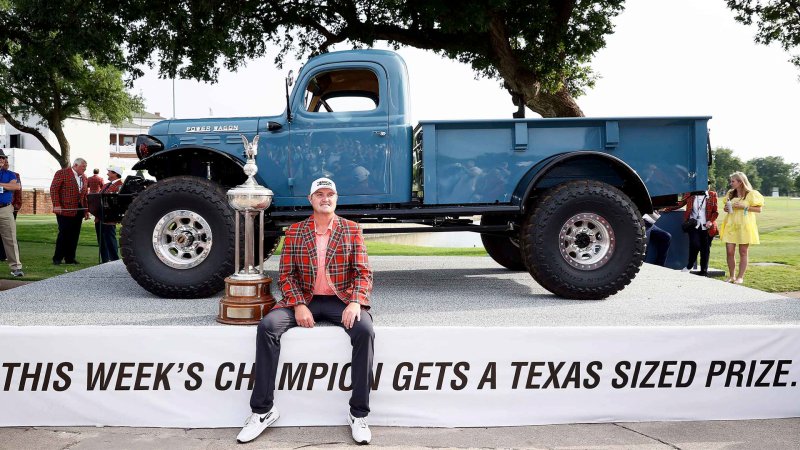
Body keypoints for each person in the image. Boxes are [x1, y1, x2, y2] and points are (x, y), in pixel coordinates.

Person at [238, 177, 374, 445]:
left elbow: (363, 272)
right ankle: (263, 411)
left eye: (330, 194)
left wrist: (356, 301)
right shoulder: (296, 231)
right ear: (310, 200)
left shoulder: (351, 229)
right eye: (319, 194)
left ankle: (358, 414)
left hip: (341, 299)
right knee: (267, 327)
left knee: (365, 330)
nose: (325, 198)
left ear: (336, 199)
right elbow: (286, 275)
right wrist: (299, 304)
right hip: (305, 299)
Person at [719, 171, 764, 284]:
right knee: (729, 251)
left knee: (743, 251)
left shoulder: (751, 194)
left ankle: (740, 277)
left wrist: (745, 207)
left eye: (733, 181)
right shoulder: (730, 193)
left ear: (740, 182)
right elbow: (726, 208)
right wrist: (726, 208)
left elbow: (759, 210)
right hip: (731, 225)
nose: (731, 183)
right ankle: (731, 276)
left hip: (745, 225)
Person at [666, 183, 719, 275]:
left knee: (705, 249)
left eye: (708, 184)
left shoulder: (712, 195)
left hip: (707, 226)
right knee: (695, 245)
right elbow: (680, 203)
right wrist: (665, 208)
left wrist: (710, 221)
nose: (706, 186)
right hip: (693, 224)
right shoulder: (690, 194)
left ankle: (703, 271)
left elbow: (715, 211)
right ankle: (689, 266)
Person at [50, 158, 89, 265]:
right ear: (75, 165)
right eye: (83, 167)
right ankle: (57, 258)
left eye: (85, 167)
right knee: (64, 234)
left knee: (74, 235)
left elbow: (84, 196)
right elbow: (54, 189)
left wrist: (86, 211)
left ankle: (70, 258)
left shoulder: (84, 178)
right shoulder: (62, 173)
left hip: (78, 210)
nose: (85, 169)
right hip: (64, 210)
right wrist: (56, 205)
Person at [0, 150, 23, 276]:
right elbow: (9, 186)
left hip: (5, 209)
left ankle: (16, 268)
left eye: (2, 158)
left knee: (10, 239)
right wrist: (5, 186)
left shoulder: (10, 174)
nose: (1, 160)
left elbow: (15, 187)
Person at [95, 166, 124, 263]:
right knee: (102, 241)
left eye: (109, 172)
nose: (107, 174)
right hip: (100, 217)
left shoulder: (121, 185)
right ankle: (105, 261)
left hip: (109, 218)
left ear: (115, 173)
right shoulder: (106, 185)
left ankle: (114, 260)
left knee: (110, 240)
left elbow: (117, 201)